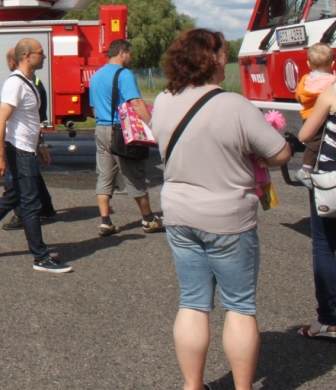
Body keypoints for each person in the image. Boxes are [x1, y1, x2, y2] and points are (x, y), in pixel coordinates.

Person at [151, 29, 290, 390]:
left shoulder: (164, 100)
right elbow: (280, 153)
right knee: (240, 307)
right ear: (210, 59)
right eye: (222, 53)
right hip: (228, 218)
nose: (225, 59)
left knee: (193, 302)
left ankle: (192, 385)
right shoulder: (234, 105)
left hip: (179, 213)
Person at [0, 38, 71, 273]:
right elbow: (2, 120)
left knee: (12, 197)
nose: (44, 57)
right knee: (31, 202)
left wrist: (39, 144)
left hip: (26, 148)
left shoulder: (29, 82)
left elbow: (30, 120)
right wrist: (0, 155)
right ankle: (40, 258)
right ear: (27, 56)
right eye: (40, 53)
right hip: (19, 151)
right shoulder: (16, 84)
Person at [88, 39, 164, 237]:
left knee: (105, 175)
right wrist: (153, 127)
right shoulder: (124, 74)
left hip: (101, 129)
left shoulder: (95, 76)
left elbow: (93, 108)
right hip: (121, 131)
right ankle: (148, 219)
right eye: (129, 54)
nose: (130, 58)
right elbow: (137, 103)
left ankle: (105, 222)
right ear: (122, 53)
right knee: (134, 174)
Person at [296, 64, 336, 340]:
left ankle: (329, 321)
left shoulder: (332, 92)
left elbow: (305, 135)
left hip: (331, 181)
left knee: (324, 245)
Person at [0, 47, 56, 227]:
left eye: (9, 62)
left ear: (14, 62)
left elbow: (29, 118)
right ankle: (45, 208)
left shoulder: (23, 83)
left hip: (18, 144)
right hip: (26, 143)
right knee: (32, 176)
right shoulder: (31, 82)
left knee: (13, 182)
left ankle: (21, 215)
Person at [294, 43, 336, 185]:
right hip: (321, 117)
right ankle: (306, 169)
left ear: (308, 64)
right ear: (333, 63)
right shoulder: (331, 82)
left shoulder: (305, 80)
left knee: (312, 142)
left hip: (307, 116)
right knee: (316, 143)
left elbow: (299, 96)